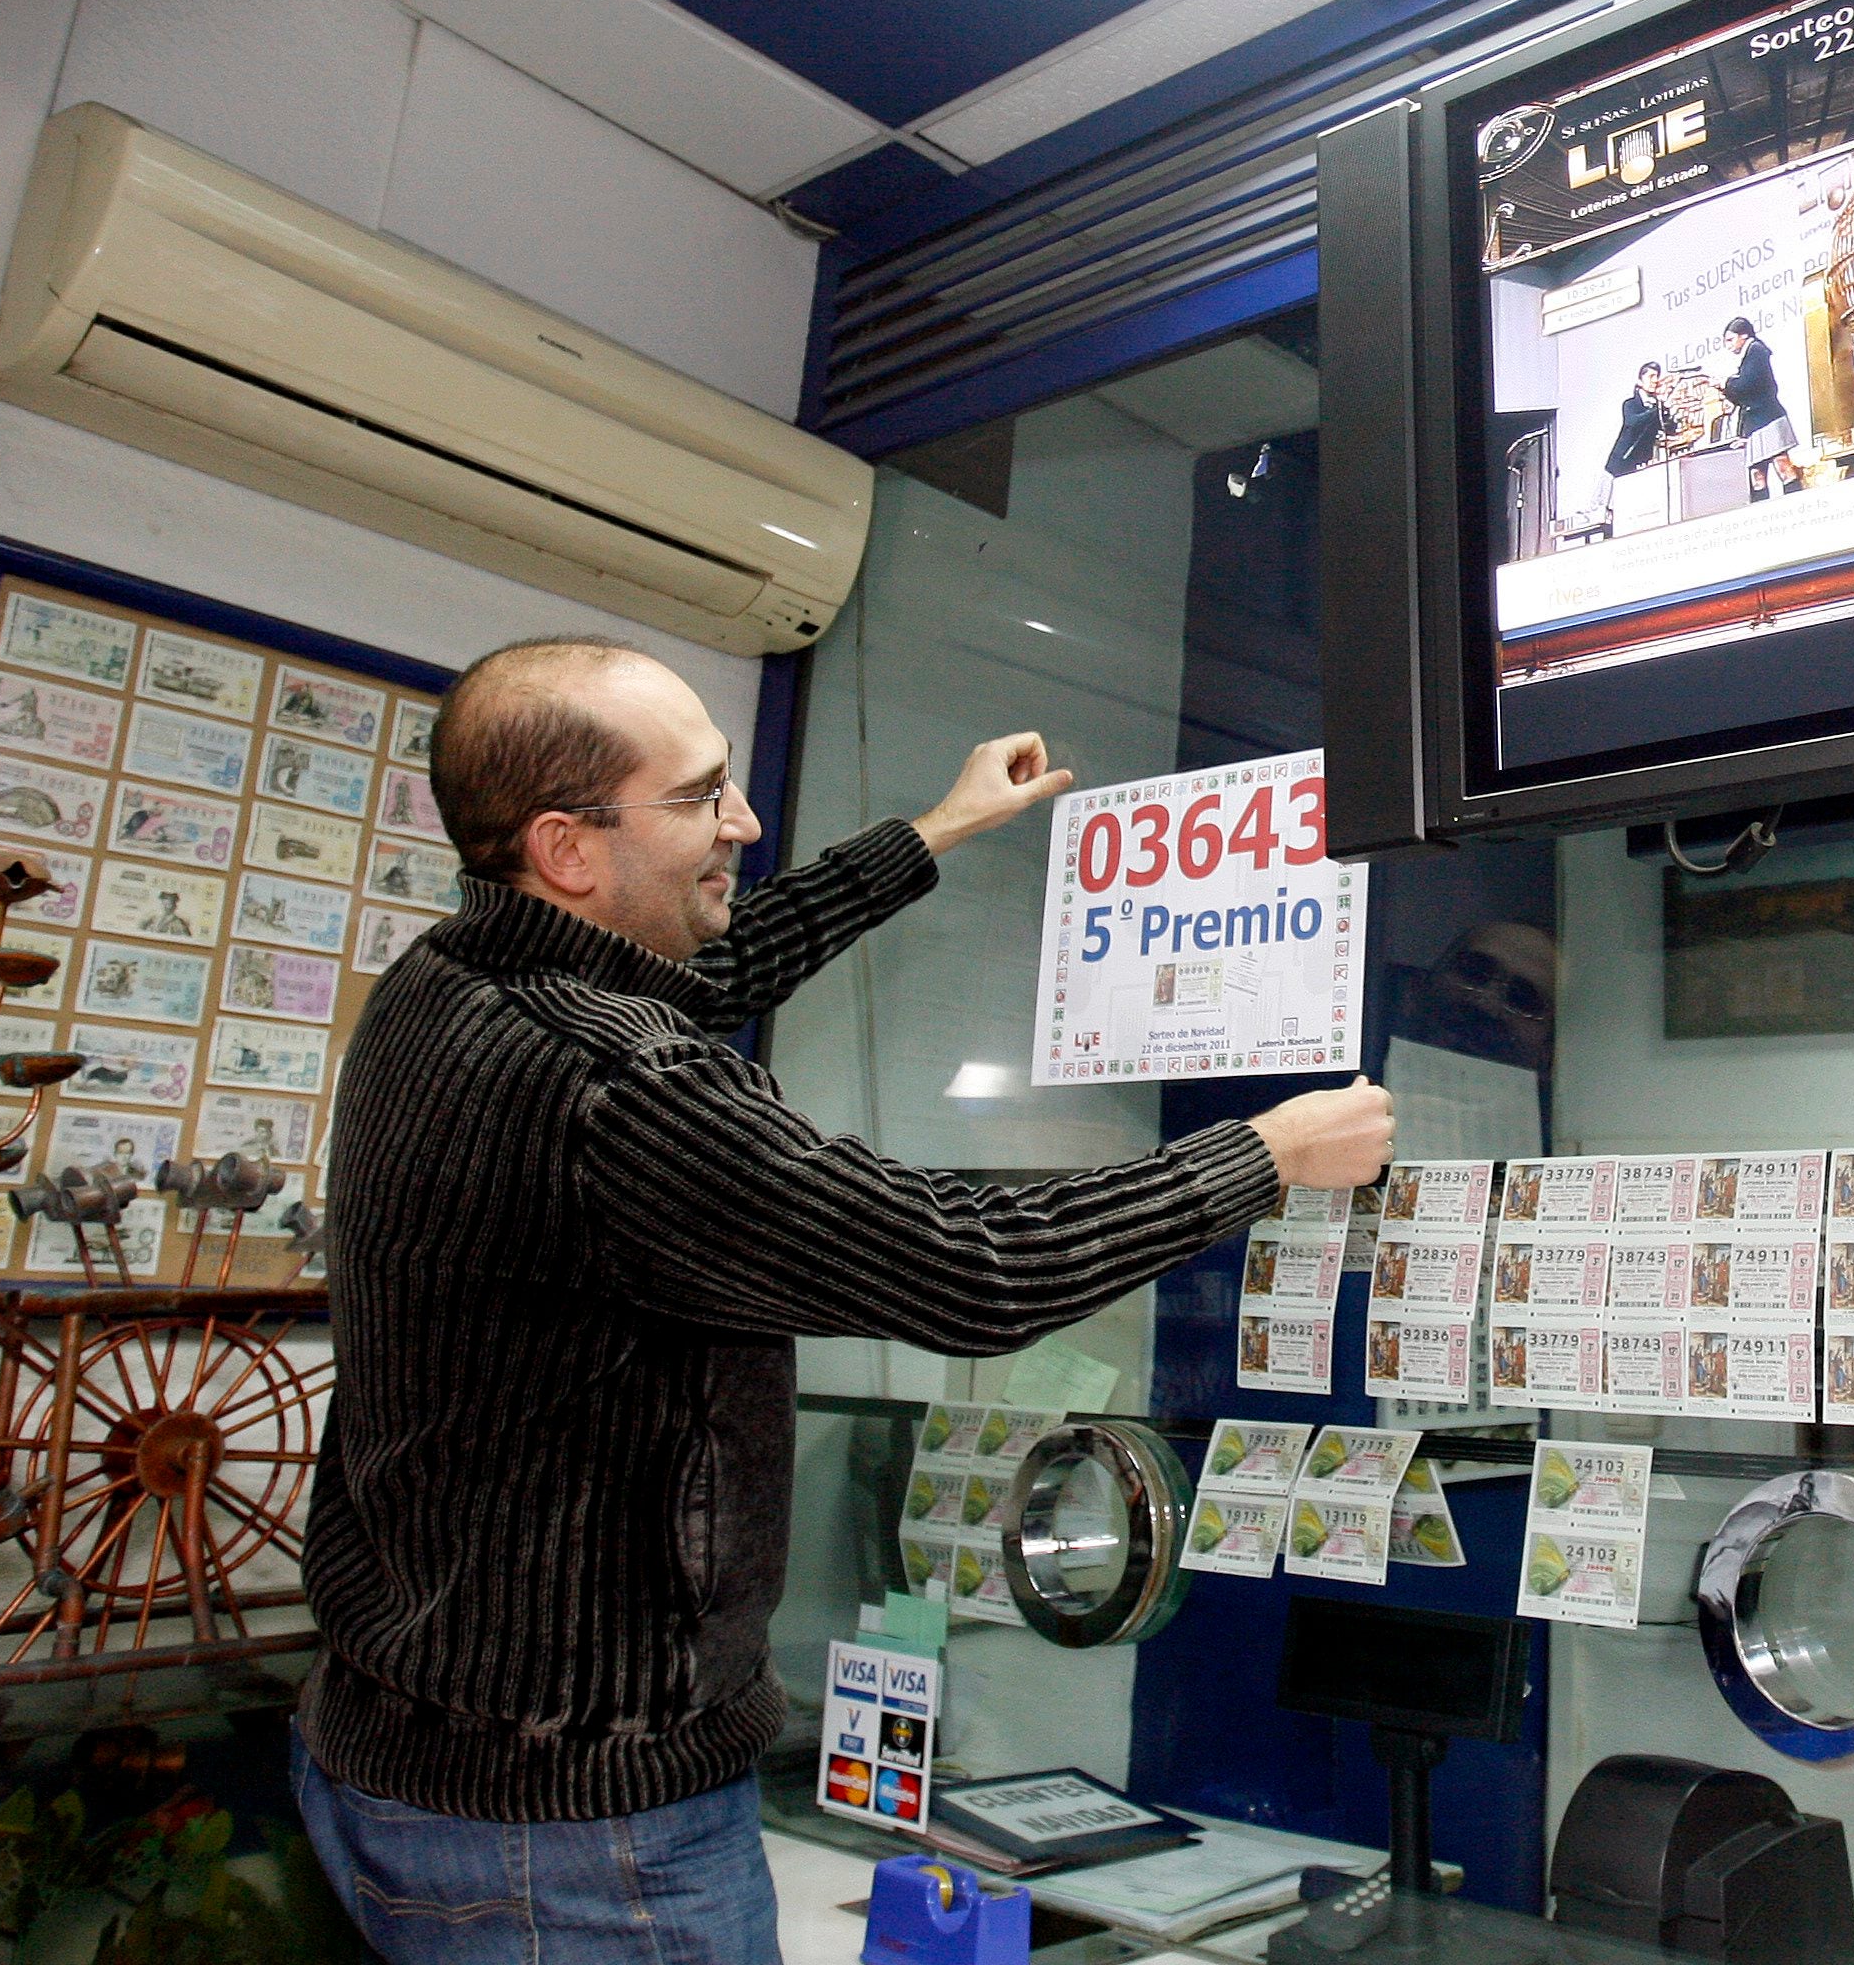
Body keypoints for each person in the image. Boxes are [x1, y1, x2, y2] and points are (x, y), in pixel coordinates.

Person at [291, 635, 1391, 1963]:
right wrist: (1261, 1158)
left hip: (395, 1754)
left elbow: (709, 967)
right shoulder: (617, 1088)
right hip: (570, 1841)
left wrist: (936, 829)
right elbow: (962, 1265)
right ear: (568, 849)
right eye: (701, 799)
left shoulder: (454, 982)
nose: (742, 824)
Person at [1718, 317, 1794, 497]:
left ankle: (1796, 502)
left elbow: (1749, 383)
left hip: (1767, 418)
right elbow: (1744, 393)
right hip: (1755, 422)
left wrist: (1726, 383)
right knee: (1757, 474)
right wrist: (1726, 388)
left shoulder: (1756, 351)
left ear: (1743, 335)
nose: (1728, 346)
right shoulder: (1751, 354)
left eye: (1730, 340)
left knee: (1781, 464)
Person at [1604, 361, 1667, 487]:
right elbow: (1633, 422)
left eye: (1657, 376)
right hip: (1619, 465)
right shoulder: (1630, 404)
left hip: (1639, 467)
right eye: (1651, 376)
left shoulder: (1657, 407)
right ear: (1640, 381)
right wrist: (1657, 410)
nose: (1655, 380)